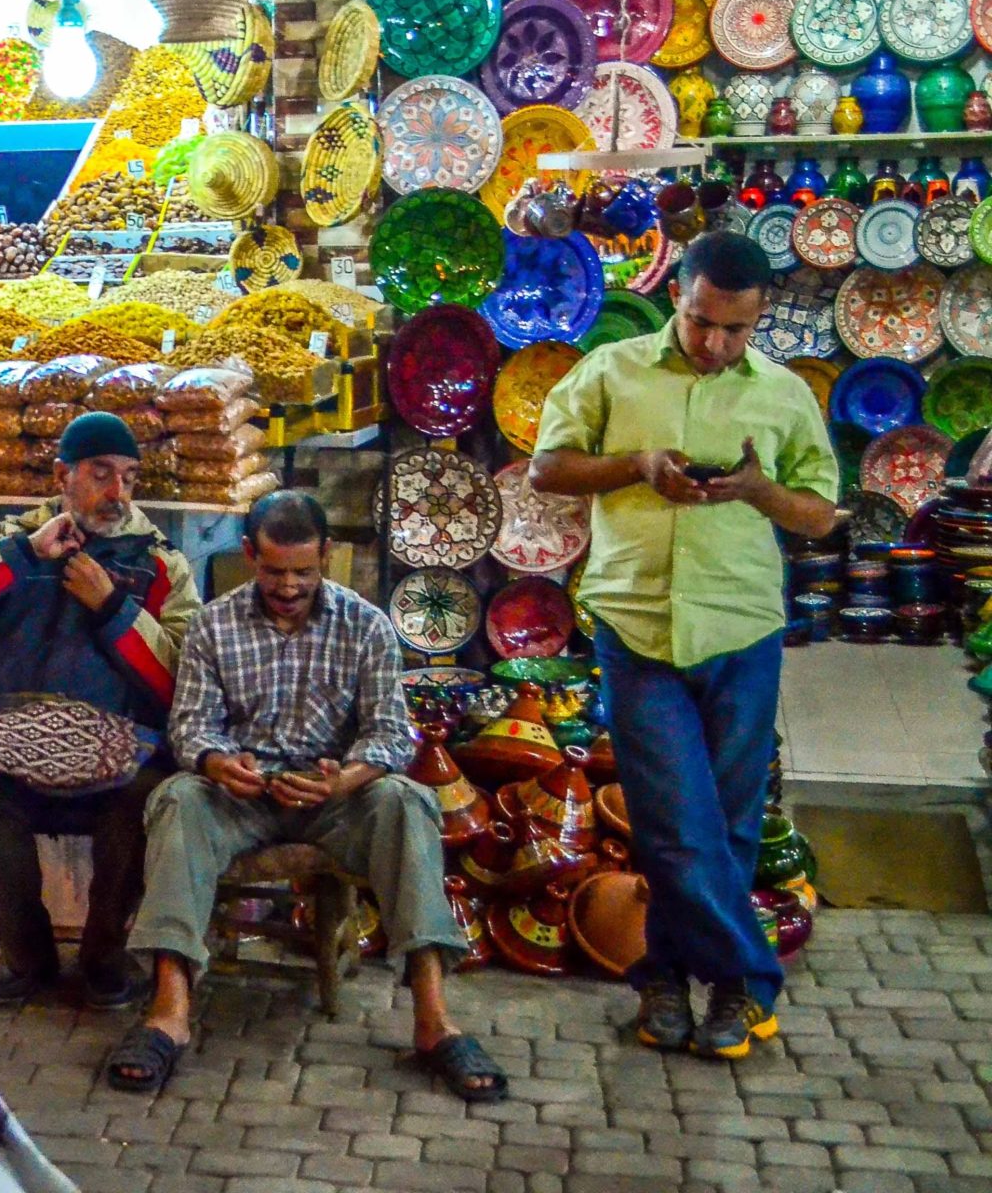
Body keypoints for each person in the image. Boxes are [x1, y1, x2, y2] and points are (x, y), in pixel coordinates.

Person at [529, 230, 838, 1060]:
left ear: (758, 318)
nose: (715, 343)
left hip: (742, 627)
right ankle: (750, 977)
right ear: (679, 296)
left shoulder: (782, 394)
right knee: (672, 820)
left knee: (730, 823)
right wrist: (636, 465)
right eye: (703, 322)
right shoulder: (611, 370)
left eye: (736, 330)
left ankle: (669, 979)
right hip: (637, 625)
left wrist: (755, 489)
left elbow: (818, 514)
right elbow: (546, 469)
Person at [114, 491, 504, 1102]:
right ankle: (169, 1012)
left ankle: (434, 1020)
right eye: (274, 571)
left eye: (304, 571)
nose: (289, 586)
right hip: (244, 797)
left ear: (326, 554)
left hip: (334, 799)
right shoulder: (214, 626)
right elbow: (191, 727)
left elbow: (388, 733)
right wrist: (219, 763)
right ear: (249, 555)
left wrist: (341, 780)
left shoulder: (366, 625)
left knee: (407, 802)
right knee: (177, 799)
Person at [0, 411, 201, 1008]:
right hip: (15, 748)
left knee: (141, 806)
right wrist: (23, 554)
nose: (116, 493)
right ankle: (29, 956)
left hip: (120, 757)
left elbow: (179, 678)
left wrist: (112, 608)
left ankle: (104, 956)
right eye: (101, 473)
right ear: (62, 475)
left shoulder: (159, 564)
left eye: (128, 477)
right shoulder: (16, 538)